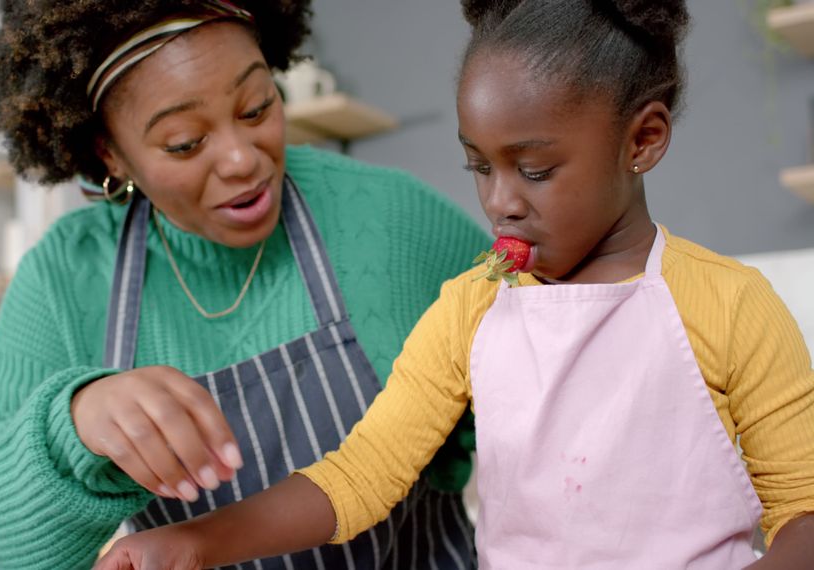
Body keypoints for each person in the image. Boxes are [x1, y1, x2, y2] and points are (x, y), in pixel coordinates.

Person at [94, 0, 814, 568]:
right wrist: (193, 542)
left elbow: (804, 519)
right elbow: (364, 472)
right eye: (479, 165)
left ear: (642, 140)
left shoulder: (731, 305)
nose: (500, 199)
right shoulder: (471, 309)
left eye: (534, 169)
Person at [0, 1, 490, 569]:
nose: (240, 159)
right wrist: (73, 428)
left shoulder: (391, 219)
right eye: (184, 142)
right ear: (112, 153)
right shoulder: (66, 276)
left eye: (256, 109)